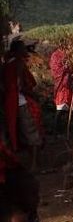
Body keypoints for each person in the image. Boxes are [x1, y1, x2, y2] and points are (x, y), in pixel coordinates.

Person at [2, 40, 43, 171]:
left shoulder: (6, 65)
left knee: (19, 133)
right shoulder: (18, 64)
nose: (26, 50)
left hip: (10, 104)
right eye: (23, 48)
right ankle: (35, 165)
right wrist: (34, 95)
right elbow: (20, 86)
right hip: (21, 102)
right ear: (19, 51)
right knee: (32, 133)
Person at [48, 47, 73, 134]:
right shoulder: (56, 56)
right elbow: (55, 71)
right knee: (60, 108)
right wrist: (65, 67)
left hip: (70, 85)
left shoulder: (72, 54)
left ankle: (69, 129)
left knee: (72, 107)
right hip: (62, 86)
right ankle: (56, 130)